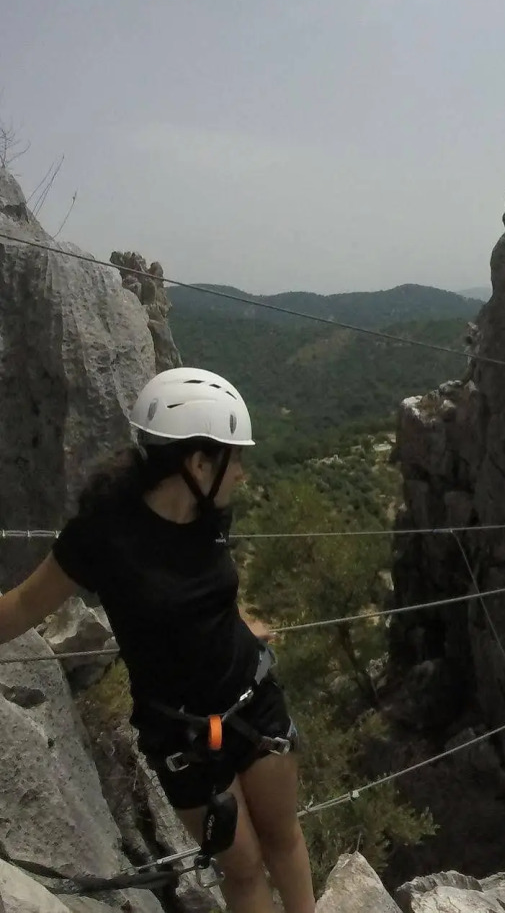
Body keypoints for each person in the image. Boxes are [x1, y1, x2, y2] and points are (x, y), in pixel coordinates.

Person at [0, 368, 314, 913]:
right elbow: (24, 606)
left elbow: (204, 588)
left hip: (253, 702)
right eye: (233, 458)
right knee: (241, 868)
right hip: (183, 736)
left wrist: (242, 623)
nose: (242, 473)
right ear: (197, 463)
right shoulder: (103, 534)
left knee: (283, 839)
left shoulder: (210, 514)